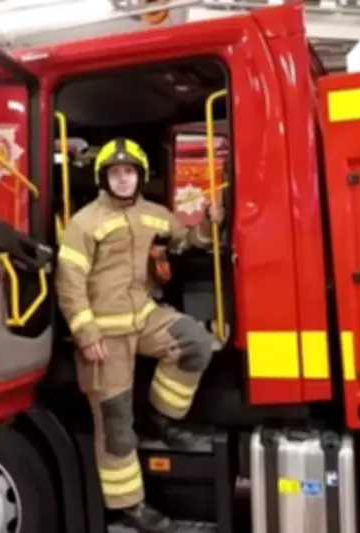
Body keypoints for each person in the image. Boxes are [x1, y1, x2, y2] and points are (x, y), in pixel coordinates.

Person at [54, 138, 224, 532]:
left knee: (195, 342)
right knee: (115, 424)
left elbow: (186, 239)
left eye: (129, 171)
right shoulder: (84, 222)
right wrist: (85, 332)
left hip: (144, 317)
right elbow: (69, 281)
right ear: (104, 178)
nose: (123, 178)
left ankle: (161, 420)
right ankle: (130, 506)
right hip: (103, 331)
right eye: (115, 172)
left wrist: (210, 223)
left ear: (140, 176)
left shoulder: (155, 214)